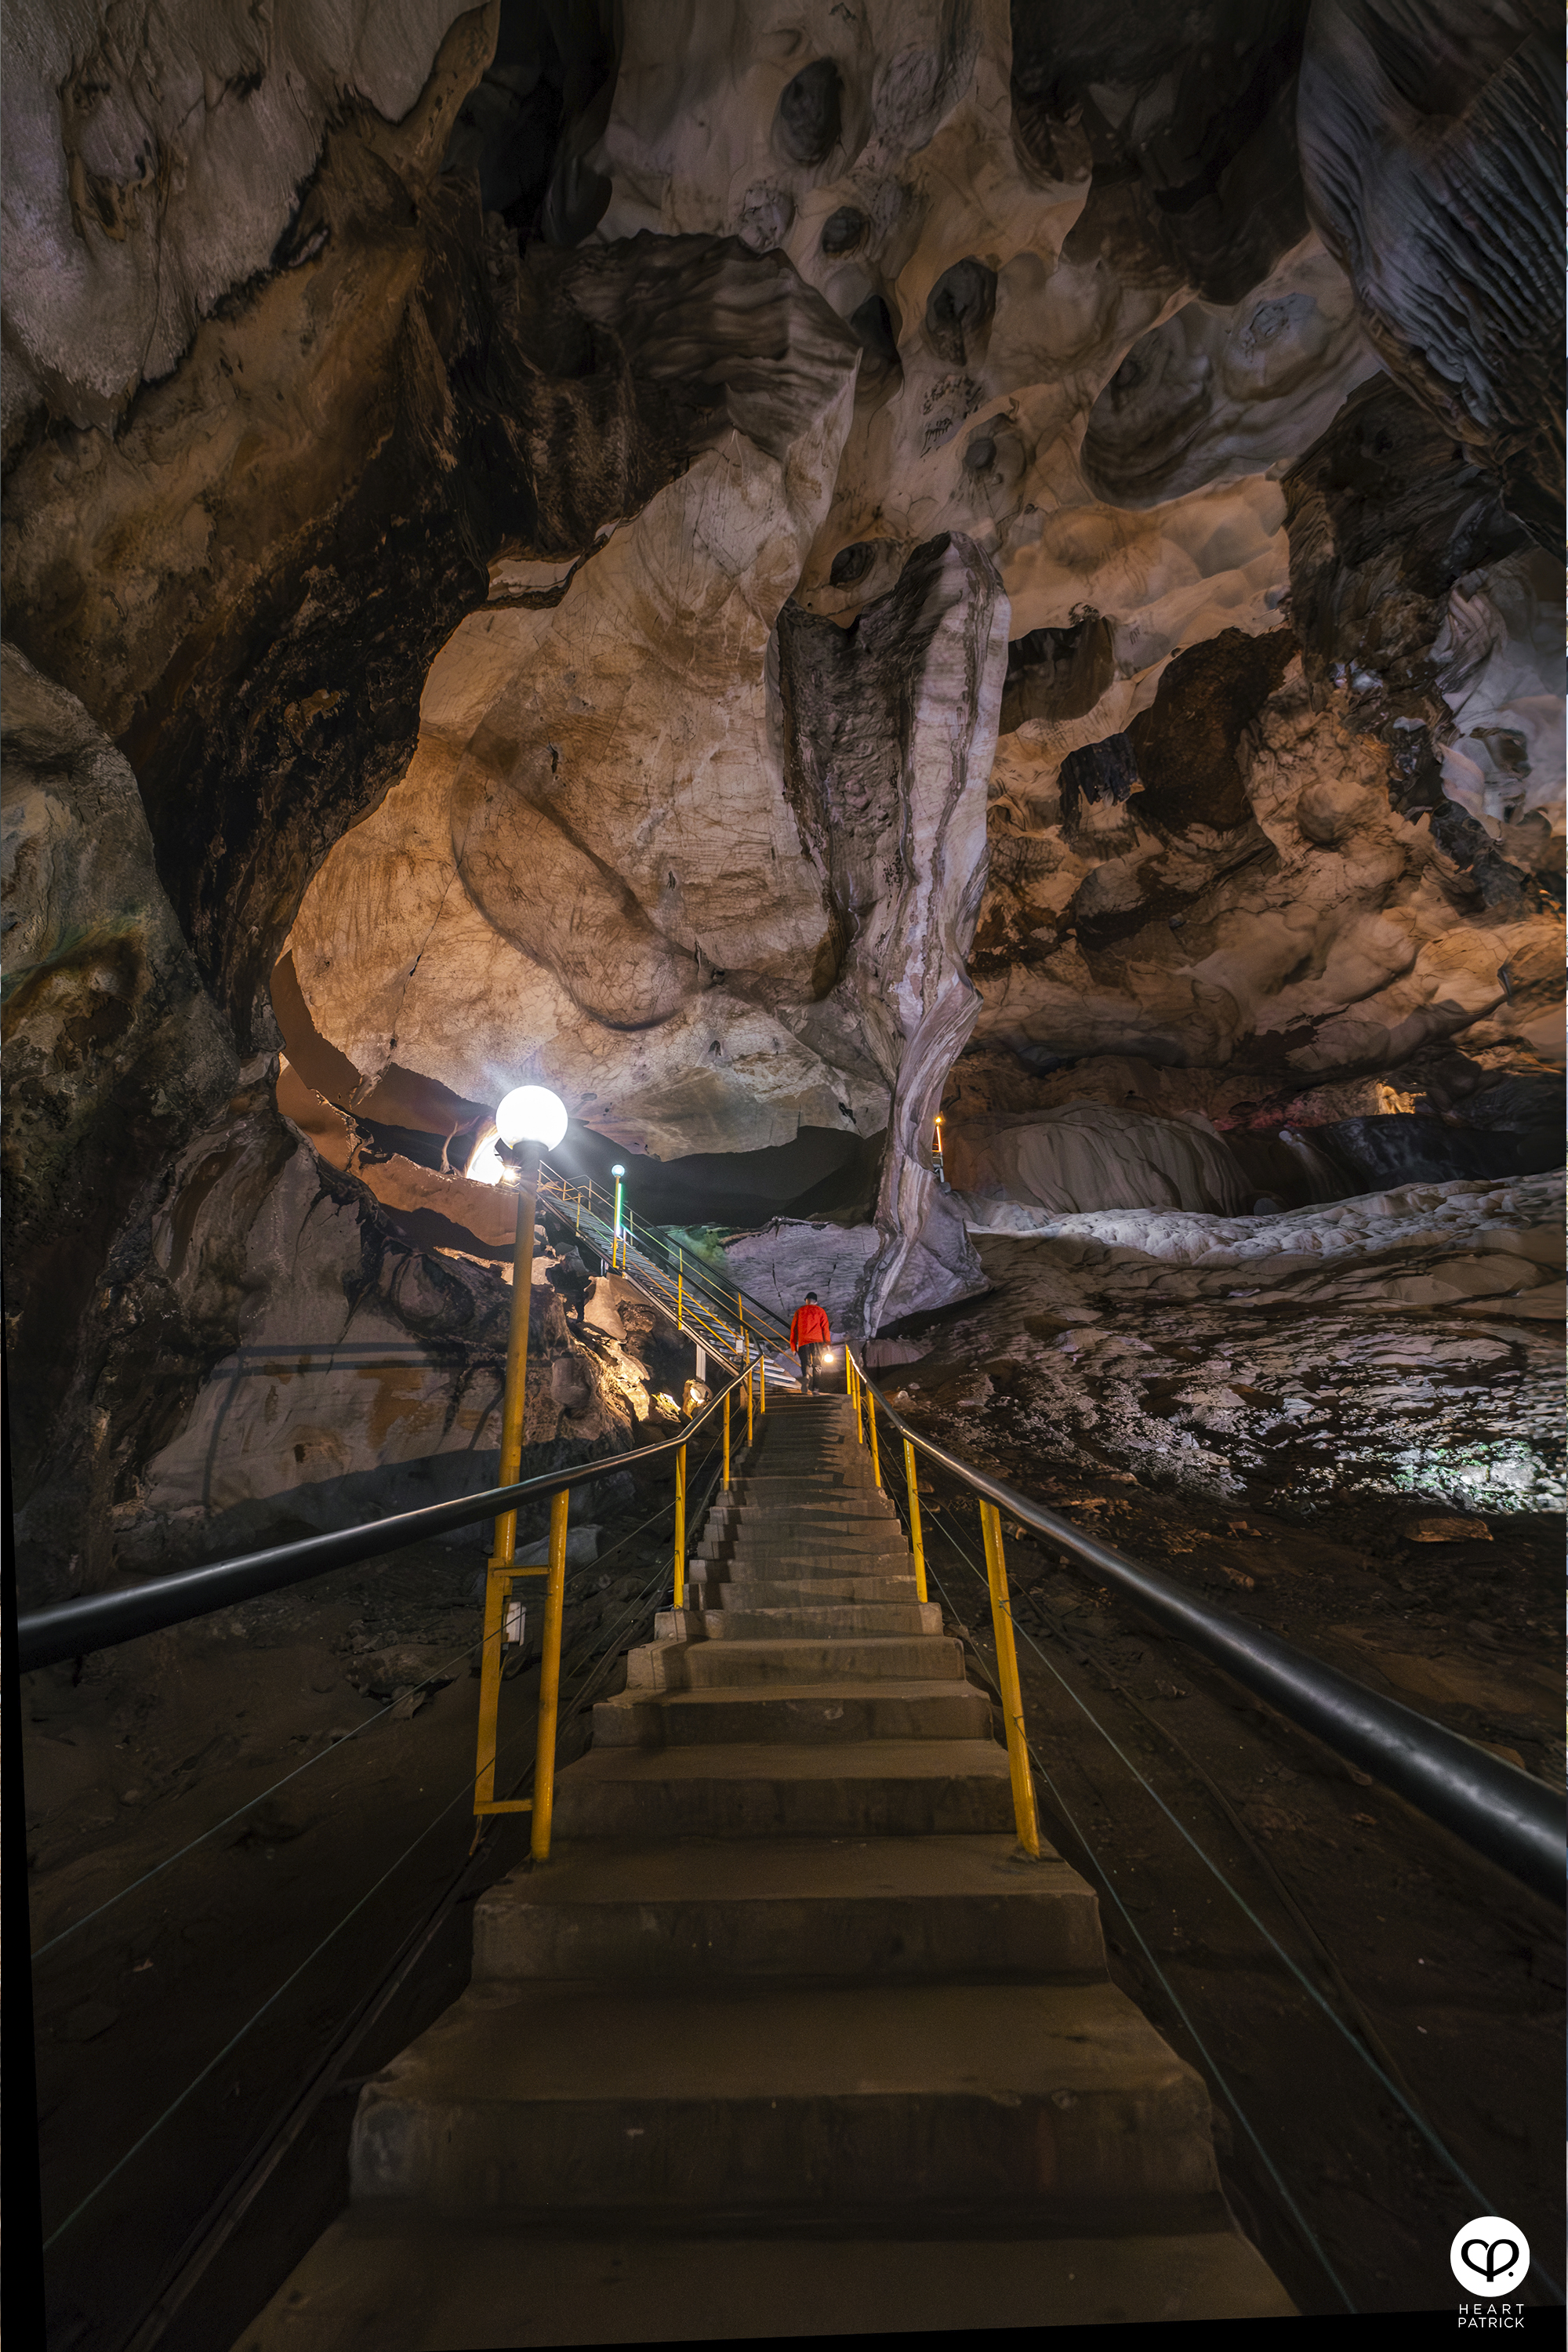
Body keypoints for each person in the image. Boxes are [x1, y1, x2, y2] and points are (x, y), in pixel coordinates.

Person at [789, 1291, 832, 1393]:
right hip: (817, 1342)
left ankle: (806, 1376)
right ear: (816, 1302)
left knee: (805, 1363)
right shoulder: (821, 1311)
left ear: (806, 1301)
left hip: (804, 1342)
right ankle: (816, 1389)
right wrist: (828, 1343)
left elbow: (793, 1330)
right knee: (817, 1365)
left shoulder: (799, 1311)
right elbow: (825, 1329)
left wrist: (793, 1346)